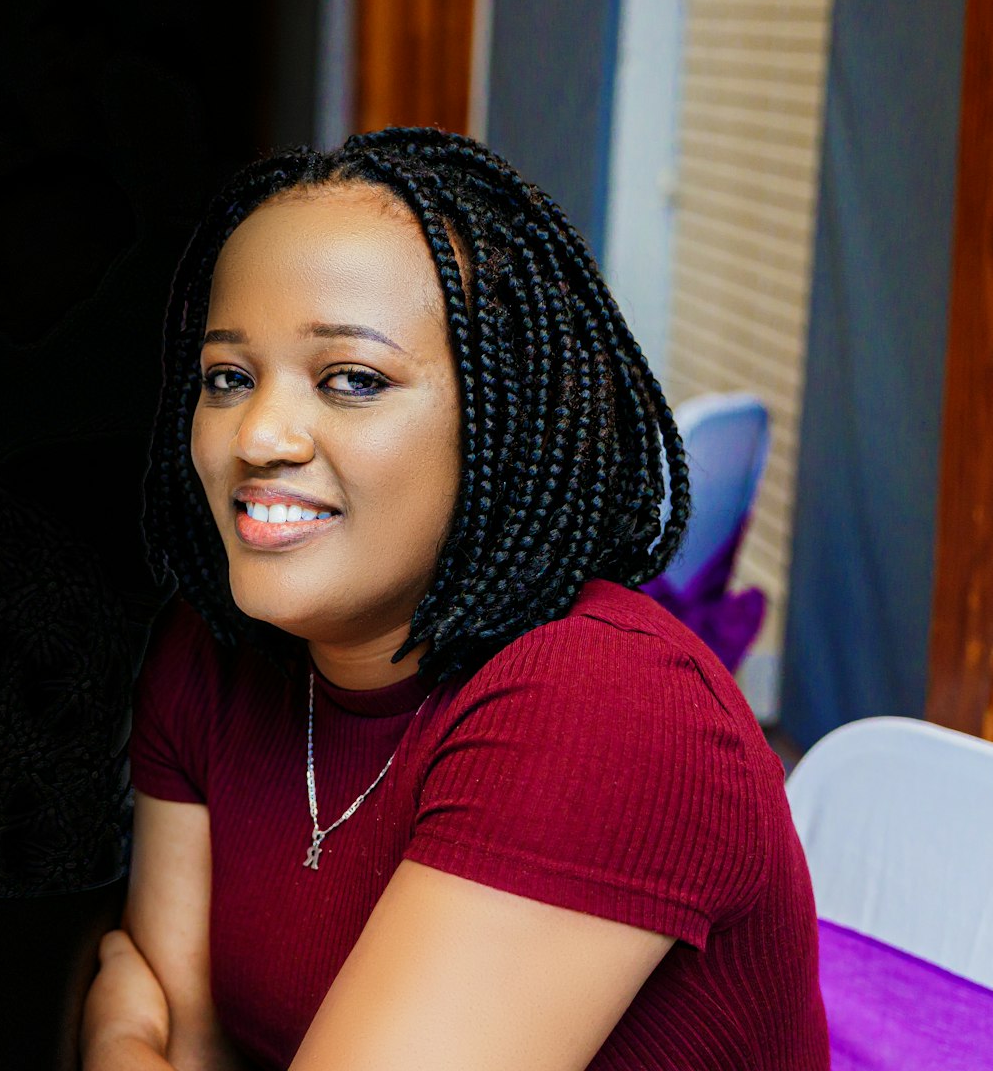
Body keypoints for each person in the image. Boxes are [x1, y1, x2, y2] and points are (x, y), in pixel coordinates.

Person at [81, 128, 829, 1070]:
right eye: (228, 377)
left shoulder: (609, 704)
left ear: (500, 419)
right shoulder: (215, 649)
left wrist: (113, 1038)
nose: (259, 433)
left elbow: (153, 1022)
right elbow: (197, 1042)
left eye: (352, 380)